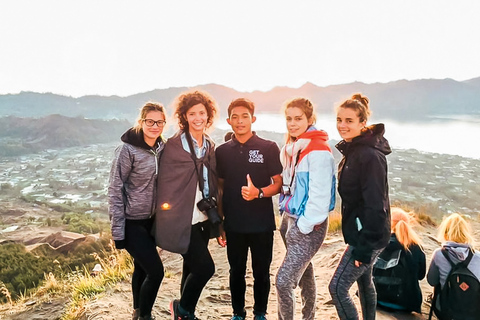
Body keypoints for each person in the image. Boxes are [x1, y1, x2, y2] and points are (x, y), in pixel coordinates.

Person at [154, 90, 220, 320]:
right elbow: (166, 182)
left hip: (202, 217)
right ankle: (181, 309)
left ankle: (185, 313)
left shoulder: (209, 145)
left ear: (208, 115)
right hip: (183, 218)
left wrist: (217, 221)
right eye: (192, 113)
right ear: (184, 116)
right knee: (205, 268)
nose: (198, 118)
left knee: (191, 268)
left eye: (202, 113)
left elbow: (212, 182)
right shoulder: (174, 146)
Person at [216, 98, 283, 320]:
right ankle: (238, 313)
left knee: (262, 272)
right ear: (228, 121)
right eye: (234, 117)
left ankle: (260, 314)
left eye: (245, 116)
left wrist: (259, 193)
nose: (240, 121)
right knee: (236, 272)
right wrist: (221, 222)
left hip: (262, 223)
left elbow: (278, 183)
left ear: (253, 119)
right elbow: (220, 188)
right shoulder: (222, 151)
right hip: (234, 224)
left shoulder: (268, 147)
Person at [328, 94, 391, 320]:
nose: (342, 125)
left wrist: (364, 249)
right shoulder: (355, 150)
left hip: (368, 237)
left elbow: (376, 205)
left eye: (349, 121)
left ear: (362, 123)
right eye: (339, 120)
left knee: (337, 288)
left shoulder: (369, 156)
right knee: (365, 282)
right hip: (365, 232)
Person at [276, 97, 336, 320]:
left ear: (310, 119)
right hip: (292, 219)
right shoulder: (297, 147)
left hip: (308, 225)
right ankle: (308, 316)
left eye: (298, 119)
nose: (292, 123)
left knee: (283, 282)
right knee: (305, 272)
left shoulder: (318, 150)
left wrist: (303, 226)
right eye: (289, 119)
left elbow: (319, 198)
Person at [108, 102, 166, 320]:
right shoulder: (127, 150)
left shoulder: (161, 148)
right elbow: (115, 189)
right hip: (131, 222)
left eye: (159, 122)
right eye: (150, 121)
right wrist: (117, 231)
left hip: (151, 220)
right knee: (156, 272)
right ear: (141, 122)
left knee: (141, 268)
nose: (154, 126)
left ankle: (137, 311)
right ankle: (146, 316)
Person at [426, 213, 480, 318]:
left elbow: (431, 281)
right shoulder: (478, 257)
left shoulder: (439, 254)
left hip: (445, 311)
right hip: (472, 314)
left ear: (445, 233)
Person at [374, 207, 426, 313]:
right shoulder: (416, 248)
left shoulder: (377, 244)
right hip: (405, 303)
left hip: (377, 299)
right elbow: (421, 276)